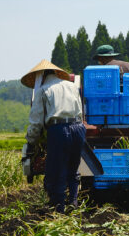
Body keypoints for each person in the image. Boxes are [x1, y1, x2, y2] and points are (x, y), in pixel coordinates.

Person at [21, 58, 85, 213]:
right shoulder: (72, 86)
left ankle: (58, 207)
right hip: (78, 128)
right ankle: (73, 202)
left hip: (59, 130)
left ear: (40, 76)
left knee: (57, 169)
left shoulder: (43, 90)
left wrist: (31, 143)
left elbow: (36, 122)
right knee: (73, 166)